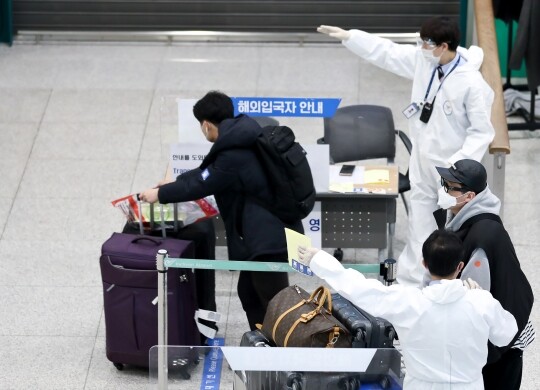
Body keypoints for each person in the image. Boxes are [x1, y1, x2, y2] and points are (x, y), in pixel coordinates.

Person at [318, 17, 495, 286]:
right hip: (423, 163)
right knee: (419, 227)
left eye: (427, 43)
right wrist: (350, 36)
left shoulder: (470, 83)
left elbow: (482, 132)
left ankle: (446, 282)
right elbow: (387, 53)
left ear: (443, 46)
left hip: (451, 172)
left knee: (450, 230)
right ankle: (412, 283)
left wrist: (457, 168)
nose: (421, 47)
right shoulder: (427, 62)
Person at [139, 90, 304, 330]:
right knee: (249, 293)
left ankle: (289, 354)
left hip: (268, 239)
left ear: (206, 125)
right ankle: (264, 343)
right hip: (262, 235)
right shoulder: (240, 137)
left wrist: (160, 194)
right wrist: (172, 185)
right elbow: (207, 173)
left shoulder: (234, 151)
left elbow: (203, 182)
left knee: (276, 302)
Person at [298, 230, 517, 390]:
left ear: (423, 264)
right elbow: (506, 334)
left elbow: (358, 288)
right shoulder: (481, 303)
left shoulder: (407, 302)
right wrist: (480, 296)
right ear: (460, 266)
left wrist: (317, 259)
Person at [433, 159, 535, 389]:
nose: (444, 191)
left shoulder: (482, 238)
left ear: (469, 196)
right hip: (499, 332)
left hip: (504, 343)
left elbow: (475, 303)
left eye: (449, 187)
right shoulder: (465, 218)